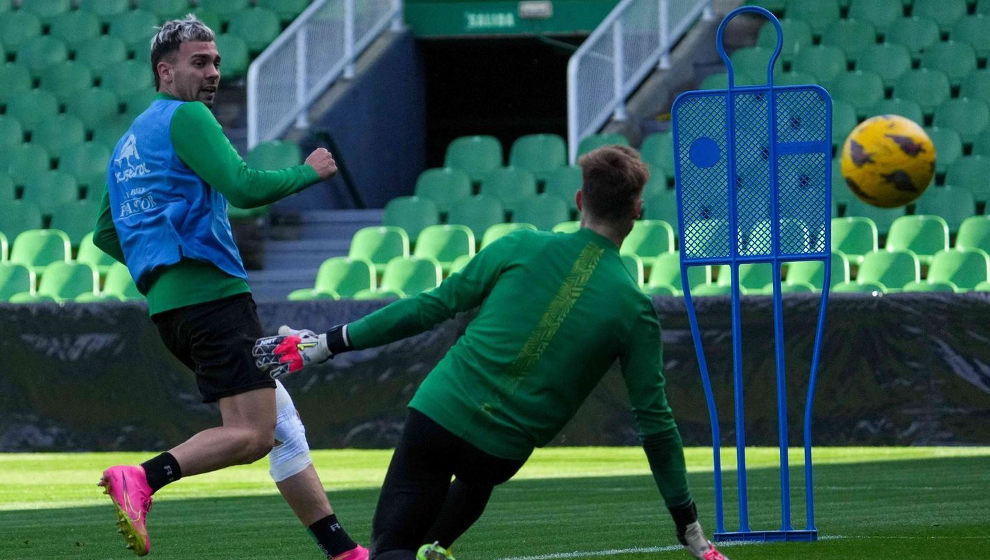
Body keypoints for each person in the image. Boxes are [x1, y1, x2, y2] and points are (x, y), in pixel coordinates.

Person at [254, 145, 730, 560]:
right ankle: (435, 548)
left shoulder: (520, 244)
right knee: (472, 486)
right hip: (498, 452)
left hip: (439, 415)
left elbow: (429, 307)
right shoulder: (635, 308)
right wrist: (686, 522)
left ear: (580, 200)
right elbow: (656, 422)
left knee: (391, 549)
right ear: (638, 211)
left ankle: (419, 551)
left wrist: (327, 343)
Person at [93, 15, 367, 559]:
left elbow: (107, 232)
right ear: (164, 71)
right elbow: (242, 186)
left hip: (172, 309)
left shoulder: (130, 142)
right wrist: (307, 172)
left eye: (216, 61)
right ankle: (143, 478)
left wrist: (161, 266)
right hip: (213, 299)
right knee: (252, 435)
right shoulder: (187, 116)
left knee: (282, 426)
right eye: (200, 62)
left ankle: (344, 551)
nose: (213, 72)